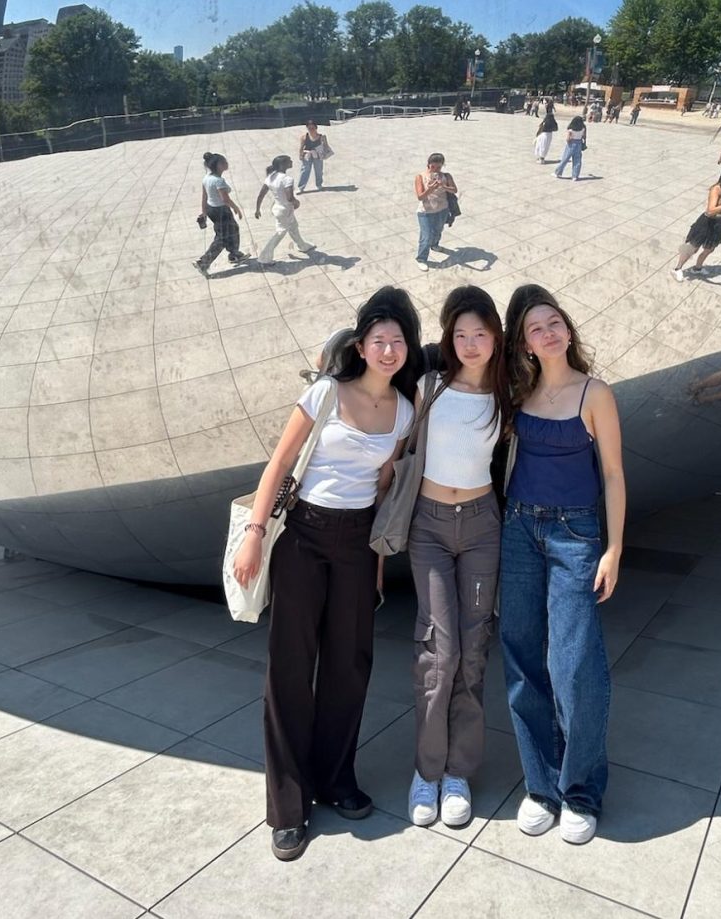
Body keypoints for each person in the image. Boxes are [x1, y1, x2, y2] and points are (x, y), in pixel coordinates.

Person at [232, 288, 422, 861]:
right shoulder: (325, 392)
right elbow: (280, 462)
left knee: (350, 665)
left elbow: (385, 488)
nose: (388, 350)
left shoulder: (406, 411)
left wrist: (380, 563)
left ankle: (337, 778)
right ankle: (288, 807)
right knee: (291, 668)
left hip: (358, 546)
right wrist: (255, 533)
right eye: (378, 340)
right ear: (361, 346)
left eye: (397, 341)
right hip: (304, 539)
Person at [501, 284, 626, 845]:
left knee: (574, 662)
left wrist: (614, 548)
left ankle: (580, 789)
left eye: (554, 322)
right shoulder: (518, 394)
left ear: (568, 330)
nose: (548, 333)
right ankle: (540, 786)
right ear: (525, 344)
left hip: (576, 534)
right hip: (519, 529)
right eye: (535, 328)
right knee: (524, 655)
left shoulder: (593, 393)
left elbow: (614, 475)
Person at [406, 286, 511, 829]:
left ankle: (457, 773)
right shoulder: (430, 385)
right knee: (438, 652)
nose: (471, 344)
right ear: (449, 337)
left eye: (480, 334)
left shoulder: (509, 393)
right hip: (428, 525)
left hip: (480, 527)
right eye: (460, 334)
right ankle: (426, 770)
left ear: (496, 337)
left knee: (473, 652)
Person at [673, 165, 721, 282]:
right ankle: (677, 269)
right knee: (692, 248)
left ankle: (697, 268)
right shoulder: (717, 189)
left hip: (720, 223)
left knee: (709, 249)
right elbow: (710, 210)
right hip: (707, 222)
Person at [255, 155, 315, 267]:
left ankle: (303, 246)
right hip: (285, 210)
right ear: (283, 165)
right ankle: (264, 257)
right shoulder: (287, 179)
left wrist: (257, 209)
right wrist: (296, 202)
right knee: (280, 232)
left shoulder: (271, 177)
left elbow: (261, 194)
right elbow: (289, 197)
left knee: (293, 226)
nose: (291, 161)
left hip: (278, 208)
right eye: (289, 161)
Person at [193, 152, 248, 275]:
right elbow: (225, 199)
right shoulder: (219, 181)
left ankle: (235, 254)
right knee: (222, 238)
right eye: (224, 162)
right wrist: (236, 208)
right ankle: (203, 262)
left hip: (212, 209)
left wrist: (204, 212)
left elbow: (204, 197)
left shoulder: (206, 178)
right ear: (217, 166)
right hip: (222, 211)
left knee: (233, 230)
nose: (226, 164)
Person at [414, 153, 457, 272]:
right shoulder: (420, 177)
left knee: (438, 231)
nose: (436, 170)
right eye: (433, 167)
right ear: (428, 164)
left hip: (442, 209)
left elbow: (454, 190)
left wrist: (444, 186)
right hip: (425, 212)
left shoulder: (446, 176)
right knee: (426, 236)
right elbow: (420, 197)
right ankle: (421, 259)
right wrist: (431, 189)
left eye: (439, 167)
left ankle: (435, 245)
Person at [296, 120, 328, 193]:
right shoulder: (304, 137)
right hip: (307, 155)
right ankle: (301, 187)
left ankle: (319, 184)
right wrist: (300, 155)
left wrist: (322, 147)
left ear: (316, 128)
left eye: (312, 128)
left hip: (318, 155)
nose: (311, 130)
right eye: (309, 128)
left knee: (319, 170)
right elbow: (301, 147)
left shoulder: (322, 136)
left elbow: (326, 147)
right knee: (304, 170)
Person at [555, 116, 587, 181]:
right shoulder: (583, 128)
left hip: (571, 143)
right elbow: (584, 136)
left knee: (565, 158)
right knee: (577, 160)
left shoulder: (571, 129)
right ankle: (575, 176)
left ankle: (558, 172)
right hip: (579, 143)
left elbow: (568, 139)